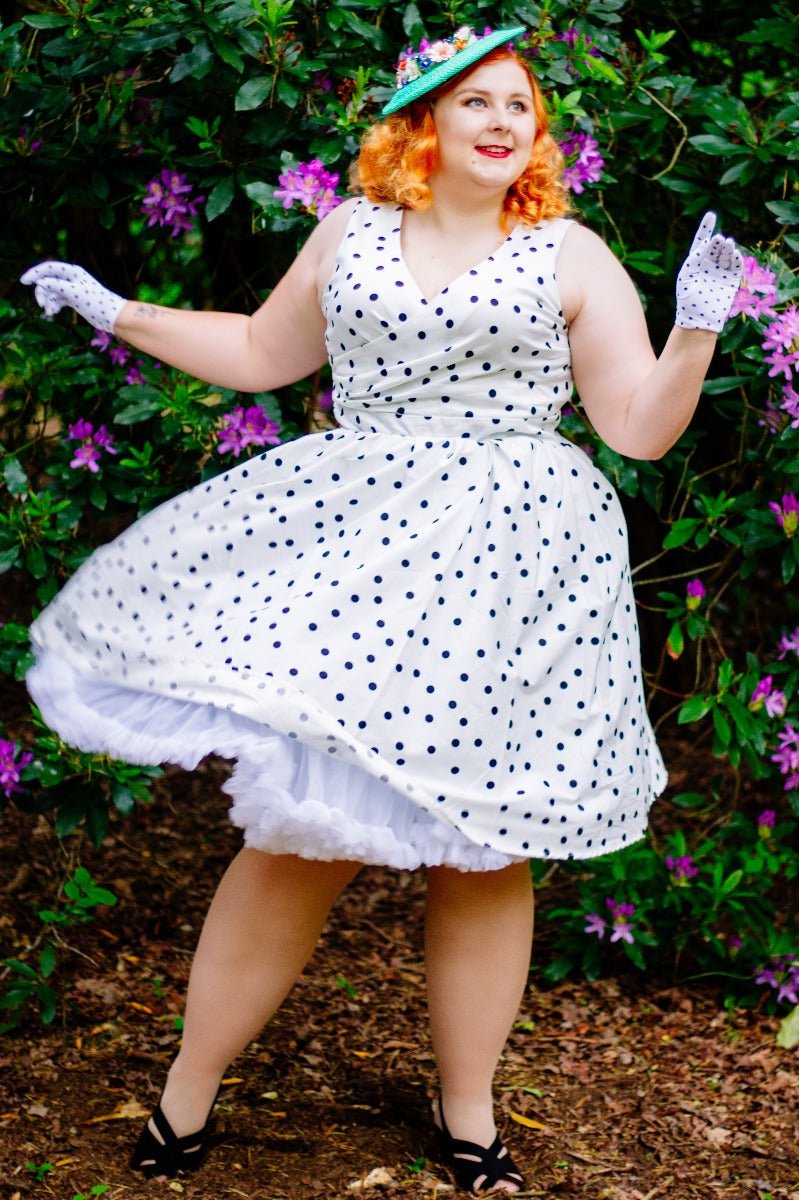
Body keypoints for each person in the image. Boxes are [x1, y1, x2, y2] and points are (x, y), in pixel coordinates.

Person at [20, 23, 741, 1197]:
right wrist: (119, 312)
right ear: (426, 124)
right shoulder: (349, 234)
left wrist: (698, 322)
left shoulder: (569, 254)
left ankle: (469, 1120)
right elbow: (261, 350)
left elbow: (634, 428)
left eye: (522, 106)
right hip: (362, 557)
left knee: (485, 849)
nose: (505, 122)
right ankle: (183, 1099)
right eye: (478, 103)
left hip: (519, 570)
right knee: (299, 834)